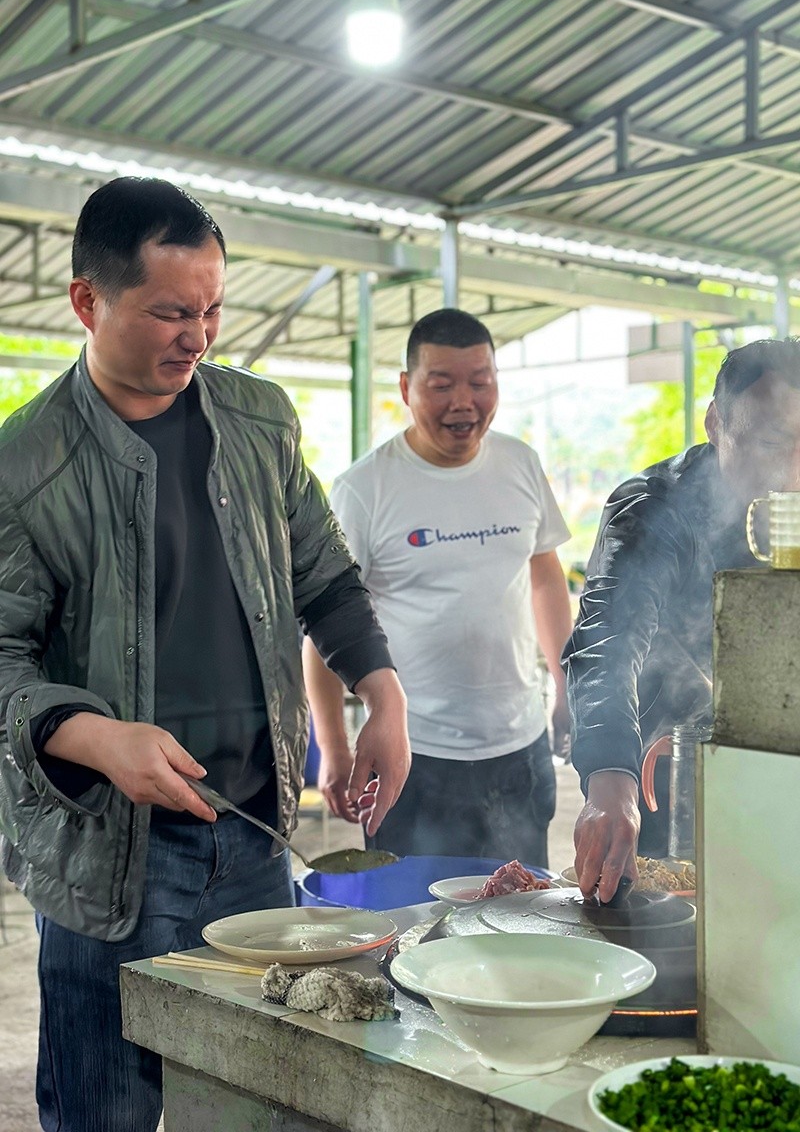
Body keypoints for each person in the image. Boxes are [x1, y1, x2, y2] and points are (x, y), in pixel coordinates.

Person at [0, 177, 410, 1132]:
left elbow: (325, 578)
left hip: (257, 838)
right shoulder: (27, 463)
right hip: (112, 858)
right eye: (170, 312)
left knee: (258, 1099)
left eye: (213, 309)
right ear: (87, 301)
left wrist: (383, 695)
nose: (199, 336)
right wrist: (96, 737)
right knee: (108, 1110)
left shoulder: (259, 421)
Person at [303, 308, 573, 867]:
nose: (463, 402)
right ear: (407, 388)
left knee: (523, 906)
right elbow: (323, 621)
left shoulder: (520, 463)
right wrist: (331, 746)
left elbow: (545, 577)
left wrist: (567, 685)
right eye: (442, 384)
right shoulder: (364, 489)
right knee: (413, 913)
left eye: (480, 382)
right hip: (411, 753)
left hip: (519, 747)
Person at [563, 337, 800, 902]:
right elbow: (608, 638)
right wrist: (609, 777)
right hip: (660, 782)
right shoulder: (655, 509)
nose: (793, 473)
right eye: (773, 442)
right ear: (716, 423)